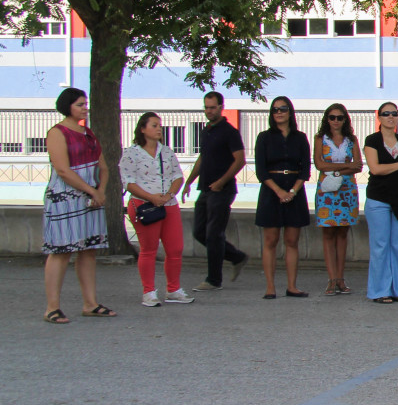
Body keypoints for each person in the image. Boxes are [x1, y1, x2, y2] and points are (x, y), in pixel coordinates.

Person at [41, 87, 112, 322]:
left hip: (90, 199)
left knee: (88, 250)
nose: (85, 107)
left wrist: (100, 191)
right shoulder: (57, 132)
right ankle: (52, 307)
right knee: (61, 251)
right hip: (65, 199)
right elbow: (62, 170)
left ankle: (90, 303)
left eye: (85, 104)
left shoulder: (87, 133)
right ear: (67, 106)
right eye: (80, 104)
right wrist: (92, 190)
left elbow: (102, 166)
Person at [120, 112, 189, 307]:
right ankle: (148, 291)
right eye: (154, 125)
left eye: (159, 125)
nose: (158, 128)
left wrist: (168, 195)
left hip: (168, 204)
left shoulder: (166, 152)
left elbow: (177, 176)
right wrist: (151, 197)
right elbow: (128, 182)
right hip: (145, 206)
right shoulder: (132, 153)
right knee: (149, 249)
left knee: (175, 248)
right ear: (142, 129)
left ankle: (173, 289)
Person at [182, 91, 248, 292]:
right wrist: (189, 181)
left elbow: (240, 160)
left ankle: (213, 280)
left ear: (221, 107)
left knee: (214, 234)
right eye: (206, 107)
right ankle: (236, 257)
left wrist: (221, 182)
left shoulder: (229, 132)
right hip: (206, 189)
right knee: (200, 232)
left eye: (212, 107)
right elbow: (202, 158)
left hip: (223, 190)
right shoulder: (207, 130)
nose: (208, 111)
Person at [253, 96, 312, 299]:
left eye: (283, 109)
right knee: (271, 239)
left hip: (295, 189)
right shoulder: (264, 137)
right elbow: (261, 170)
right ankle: (270, 287)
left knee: (292, 240)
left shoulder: (300, 137)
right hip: (272, 190)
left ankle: (292, 286)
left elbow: (305, 169)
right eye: (275, 109)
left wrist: (293, 191)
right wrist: (279, 191)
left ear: (290, 112)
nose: (279, 112)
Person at [363, 102, 398, 303]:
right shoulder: (372, 140)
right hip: (378, 198)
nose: (390, 117)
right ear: (379, 116)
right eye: (386, 114)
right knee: (380, 245)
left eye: (394, 113)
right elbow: (375, 169)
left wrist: (395, 167)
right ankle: (379, 290)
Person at [314, 104, 361, 295]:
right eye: (332, 117)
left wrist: (333, 168)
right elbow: (319, 164)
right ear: (327, 119)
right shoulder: (320, 139)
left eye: (339, 117)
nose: (335, 121)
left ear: (345, 120)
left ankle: (341, 278)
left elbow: (357, 165)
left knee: (342, 234)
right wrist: (344, 166)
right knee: (328, 234)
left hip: (347, 190)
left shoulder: (352, 140)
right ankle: (331, 279)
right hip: (327, 191)